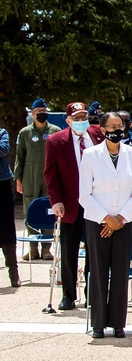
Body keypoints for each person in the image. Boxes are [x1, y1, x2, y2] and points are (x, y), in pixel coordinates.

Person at [78, 112, 132, 338]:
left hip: (125, 221)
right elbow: (84, 194)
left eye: (120, 125)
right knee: (97, 271)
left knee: (120, 271)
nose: (116, 129)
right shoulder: (90, 155)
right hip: (98, 222)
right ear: (103, 129)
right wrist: (107, 218)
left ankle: (118, 323)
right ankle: (98, 323)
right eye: (112, 126)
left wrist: (121, 218)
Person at [43, 101, 106, 309]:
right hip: (70, 204)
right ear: (68, 120)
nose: (81, 121)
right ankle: (68, 295)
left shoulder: (98, 135)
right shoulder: (55, 141)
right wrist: (56, 200)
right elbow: (51, 174)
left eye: (84, 117)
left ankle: (92, 295)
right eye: (77, 118)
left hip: (95, 203)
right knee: (68, 250)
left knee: (94, 250)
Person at [13, 98, 60, 260]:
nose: (42, 114)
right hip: (30, 177)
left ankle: (46, 248)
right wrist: (18, 179)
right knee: (30, 210)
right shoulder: (25, 133)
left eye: (44, 111)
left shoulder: (55, 131)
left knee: (49, 209)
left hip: (50, 178)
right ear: (32, 114)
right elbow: (20, 157)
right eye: (38, 112)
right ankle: (33, 248)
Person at [0, 125, 19, 287]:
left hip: (2, 183)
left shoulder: (2, 132)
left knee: (6, 227)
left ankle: (13, 271)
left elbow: (4, 149)